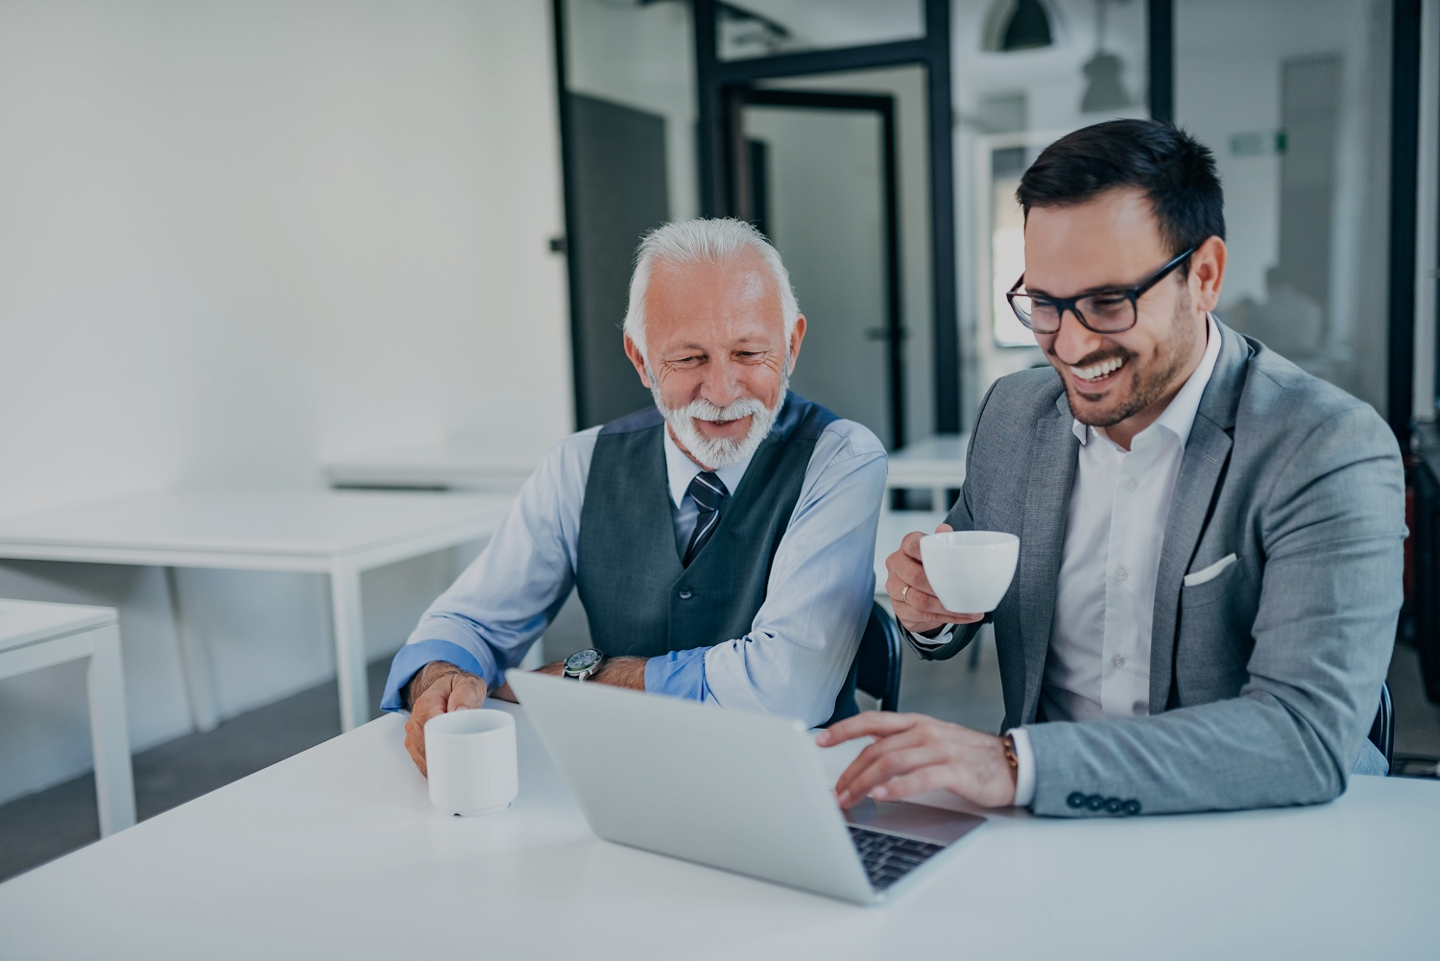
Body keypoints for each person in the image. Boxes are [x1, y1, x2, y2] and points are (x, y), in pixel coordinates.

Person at [822, 119, 1404, 817]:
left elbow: (1304, 737)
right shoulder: (1013, 414)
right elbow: (962, 582)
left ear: (1205, 276)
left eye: (1108, 302)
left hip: (1259, 831)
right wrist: (929, 608)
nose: (1069, 344)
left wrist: (1016, 762)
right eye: (1044, 304)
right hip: (1051, 825)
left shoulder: (1326, 447)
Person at [383, 217, 887, 775]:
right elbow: (471, 622)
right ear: (640, 358)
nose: (722, 391)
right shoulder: (578, 465)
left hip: (799, 785)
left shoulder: (839, 460)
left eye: (748, 353)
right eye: (689, 359)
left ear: (791, 344)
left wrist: (588, 678)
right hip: (623, 777)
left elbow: (785, 687)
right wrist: (439, 677)